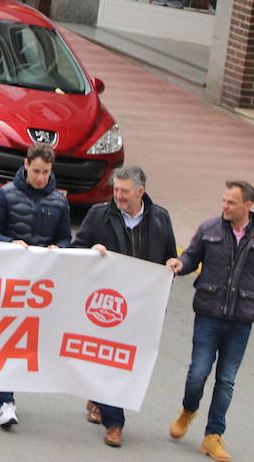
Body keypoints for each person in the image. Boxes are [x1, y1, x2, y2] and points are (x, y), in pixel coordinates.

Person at [165, 180, 254, 462]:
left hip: (240, 320)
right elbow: (192, 255)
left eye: (231, 202)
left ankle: (212, 436)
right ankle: (188, 410)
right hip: (208, 314)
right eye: (224, 200)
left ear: (247, 205)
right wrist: (181, 264)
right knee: (198, 373)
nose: (224, 206)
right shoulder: (209, 229)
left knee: (226, 380)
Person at [74, 165, 177, 448]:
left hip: (142, 308)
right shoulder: (99, 215)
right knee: (111, 359)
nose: (117, 195)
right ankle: (115, 423)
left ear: (140, 192)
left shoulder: (160, 218)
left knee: (130, 361)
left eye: (124, 191)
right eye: (115, 190)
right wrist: (91, 253)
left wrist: (172, 266)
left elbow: (171, 257)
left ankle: (98, 397)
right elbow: (76, 249)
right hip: (106, 306)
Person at [0, 142, 72, 429]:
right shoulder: (5, 195)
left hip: (40, 283)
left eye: (46, 172)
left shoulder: (59, 201)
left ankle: (2, 394)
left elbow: (66, 238)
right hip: (9, 276)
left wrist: (57, 247)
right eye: (36, 171)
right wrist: (10, 243)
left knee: (27, 340)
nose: (41, 177)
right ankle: (6, 399)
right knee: (7, 335)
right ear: (25, 165)